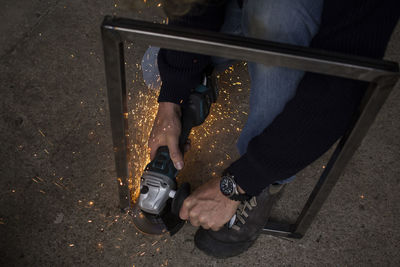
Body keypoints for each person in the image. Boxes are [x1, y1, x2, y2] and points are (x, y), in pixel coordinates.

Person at [142, 0, 399, 258]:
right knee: (155, 68)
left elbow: (337, 90)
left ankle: (267, 181)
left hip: (297, 16)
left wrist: (239, 183)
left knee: (274, 16)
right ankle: (204, 86)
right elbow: (194, 8)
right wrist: (172, 99)